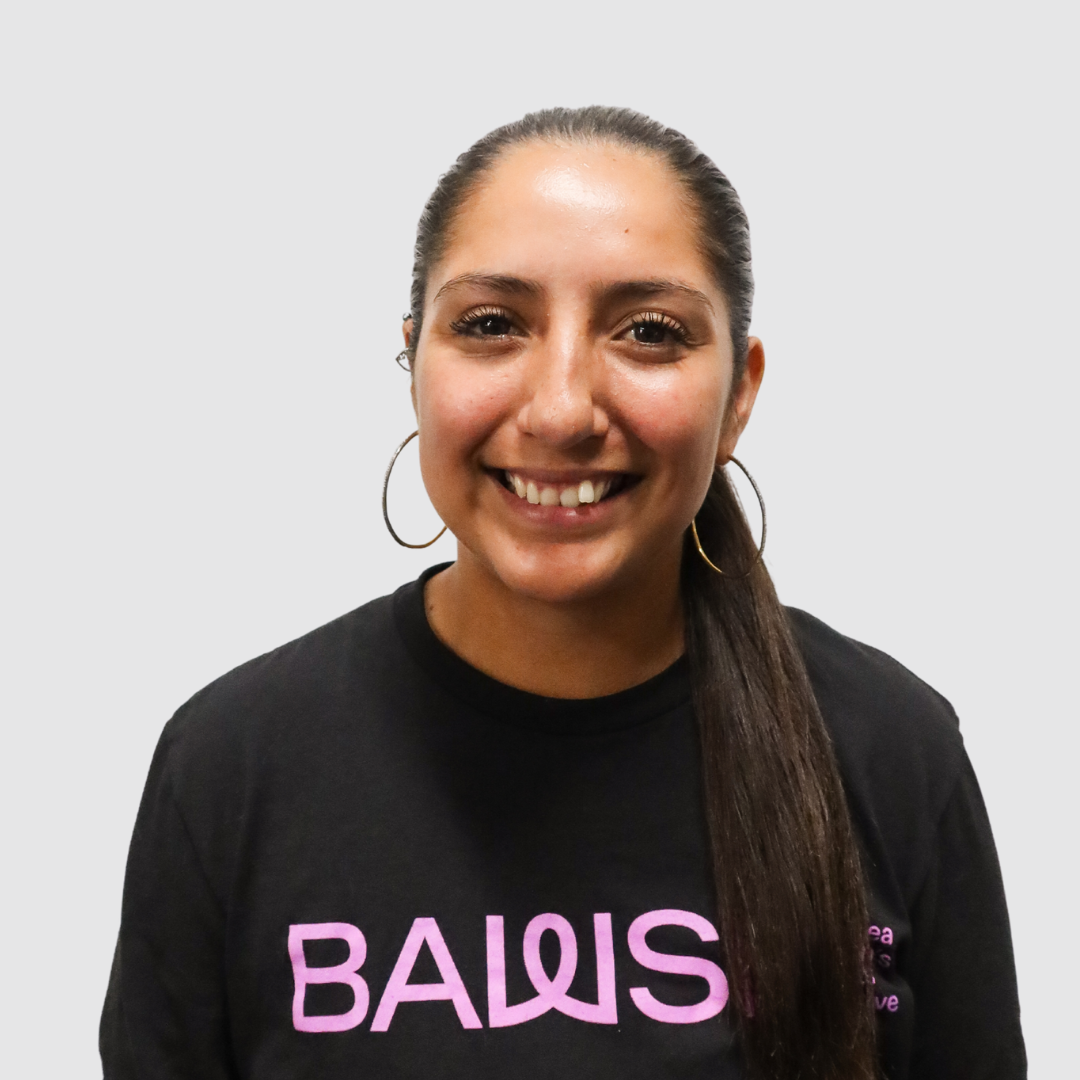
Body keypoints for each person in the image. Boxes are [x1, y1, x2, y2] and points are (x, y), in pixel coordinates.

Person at [100, 106, 1025, 1080]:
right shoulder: (233, 767)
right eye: (492, 325)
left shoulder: (889, 752)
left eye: (650, 332)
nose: (560, 409)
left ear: (739, 396)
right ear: (415, 366)